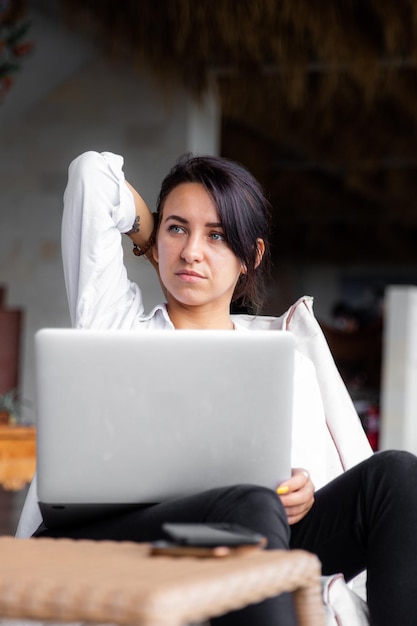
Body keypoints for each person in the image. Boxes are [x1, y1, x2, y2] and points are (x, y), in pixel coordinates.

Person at [32, 150, 417, 626]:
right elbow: (91, 173)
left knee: (396, 474)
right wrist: (154, 237)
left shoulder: (283, 362)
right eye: (178, 229)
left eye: (216, 236)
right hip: (118, 535)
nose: (192, 250)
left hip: (249, 531)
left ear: (249, 258)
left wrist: (302, 489)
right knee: (252, 503)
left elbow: (298, 483)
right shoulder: (114, 325)